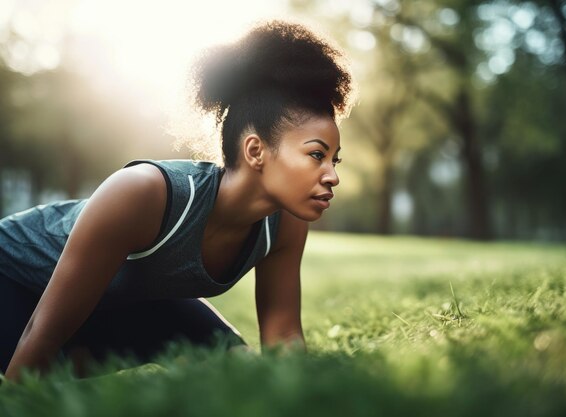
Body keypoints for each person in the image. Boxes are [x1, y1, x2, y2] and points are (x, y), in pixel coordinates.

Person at [0, 20, 354, 381]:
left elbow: (283, 337)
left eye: (334, 160)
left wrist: (305, 395)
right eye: (316, 155)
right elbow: (37, 338)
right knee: (50, 377)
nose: (332, 175)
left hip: (123, 300)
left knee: (239, 372)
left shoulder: (286, 223)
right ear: (255, 150)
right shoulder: (143, 193)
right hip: (12, 280)